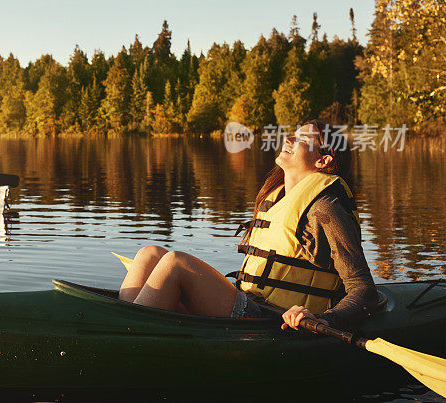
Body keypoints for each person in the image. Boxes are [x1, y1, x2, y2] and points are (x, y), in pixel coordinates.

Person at [119, 119, 380, 330]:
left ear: (323, 161)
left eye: (302, 140)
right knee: (149, 254)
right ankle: (117, 329)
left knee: (175, 263)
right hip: (251, 301)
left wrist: (327, 319)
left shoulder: (326, 208)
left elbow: (363, 289)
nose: (288, 139)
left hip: (272, 319)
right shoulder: (279, 199)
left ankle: (124, 339)